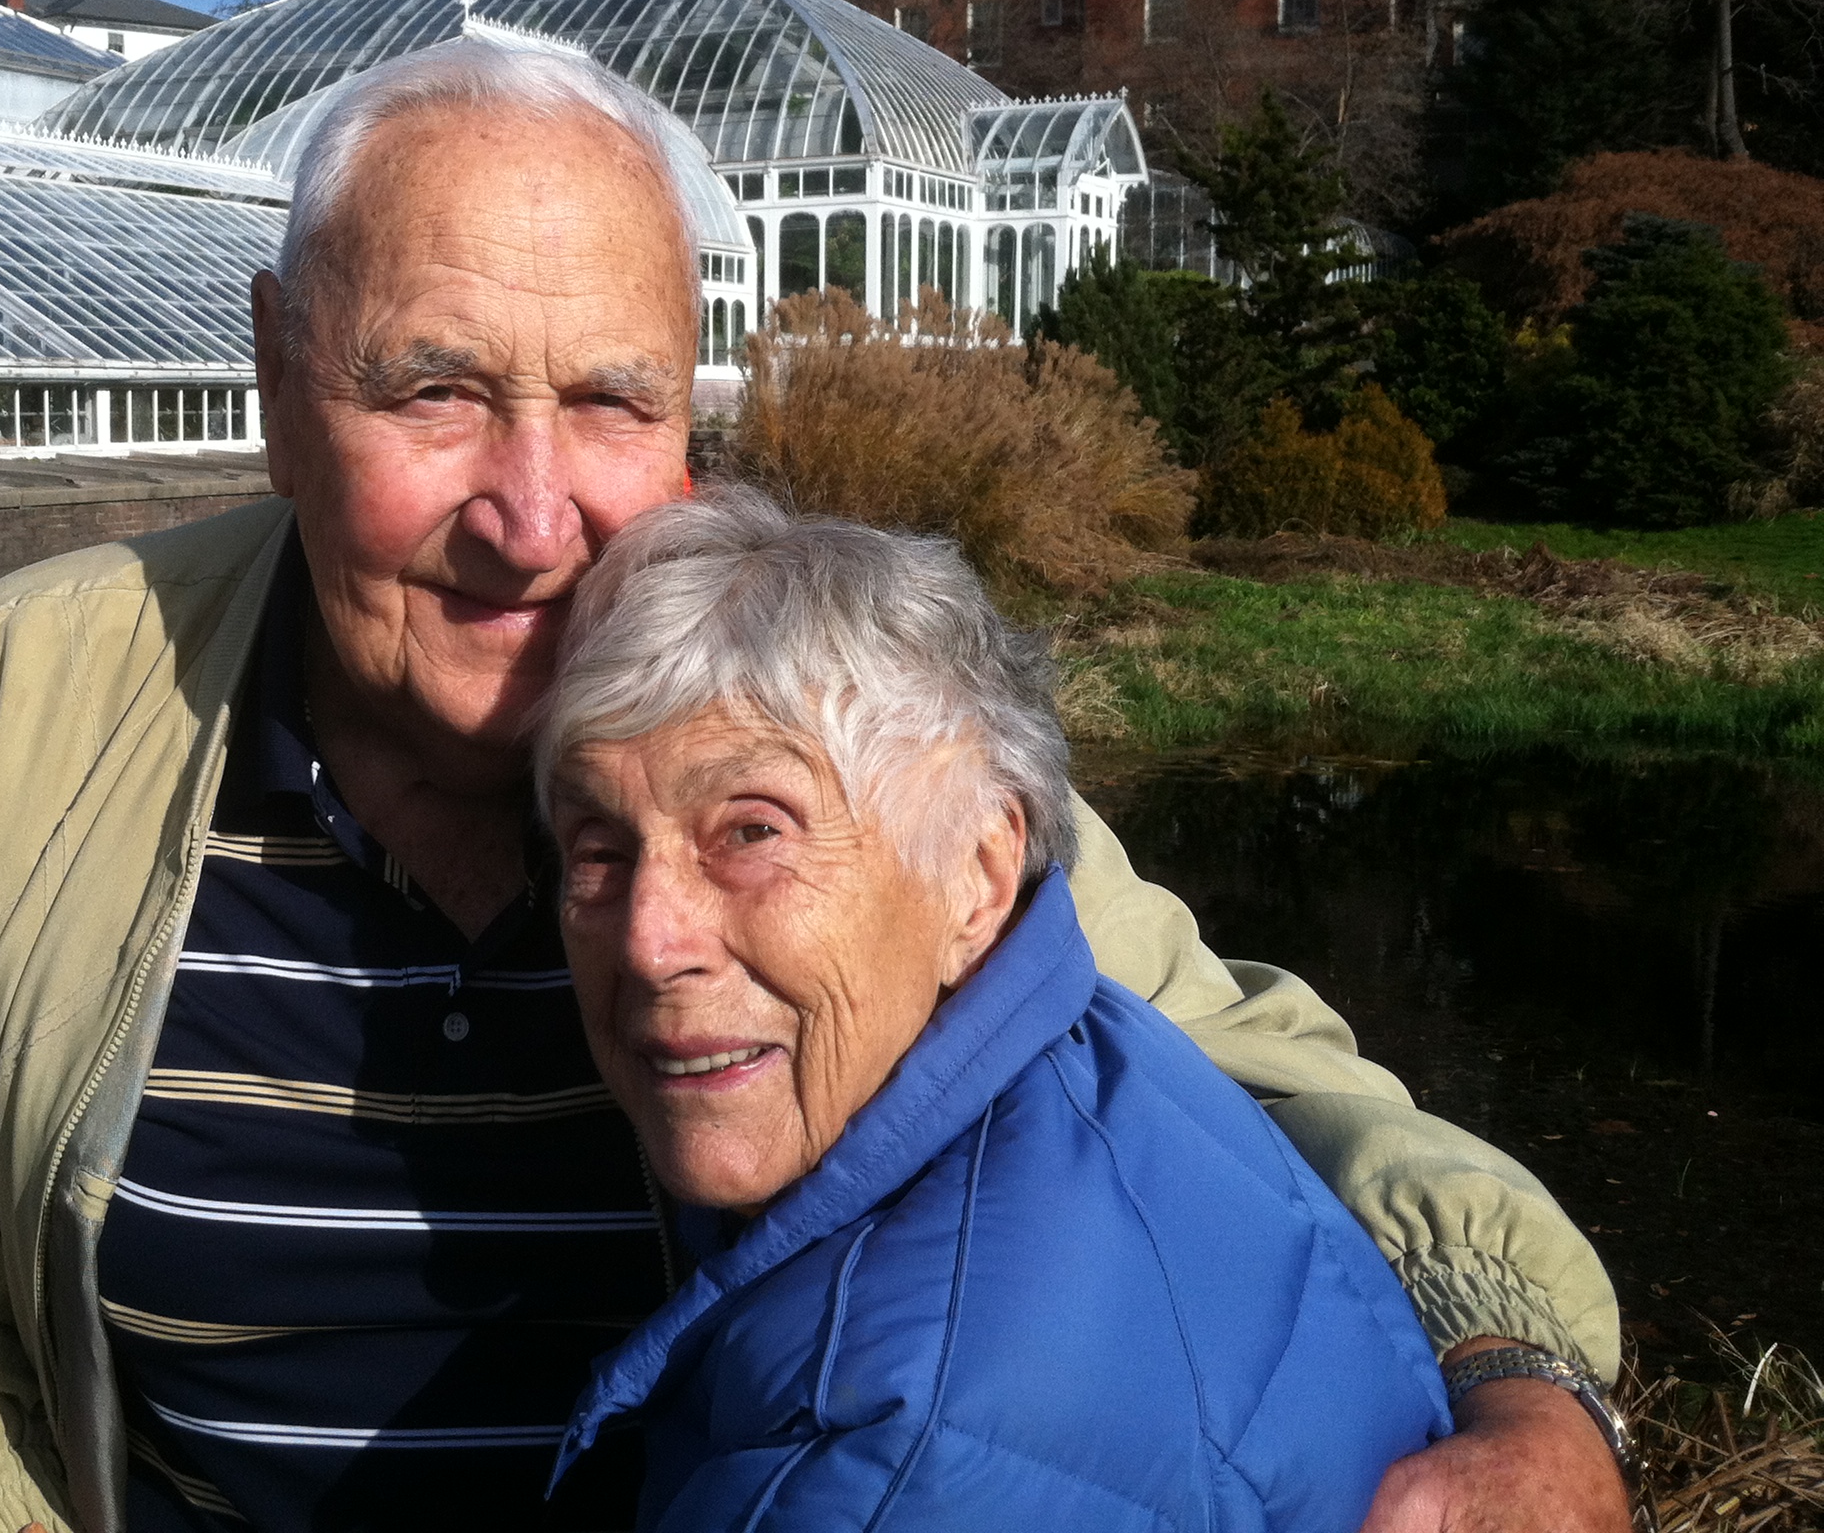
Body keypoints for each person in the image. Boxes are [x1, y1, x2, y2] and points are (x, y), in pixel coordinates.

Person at [0, 36, 1628, 1533]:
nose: (532, 511)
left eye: (613, 402)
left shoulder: (833, 717)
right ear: (273, 375)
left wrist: (1529, 1388)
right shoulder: (3, 723)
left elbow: (1261, 1082)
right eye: (434, 390)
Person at [540, 488, 1453, 1528]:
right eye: (600, 848)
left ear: (978, 875)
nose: (650, 942)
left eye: (752, 832)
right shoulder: (1099, 1053)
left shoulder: (886, 1459)